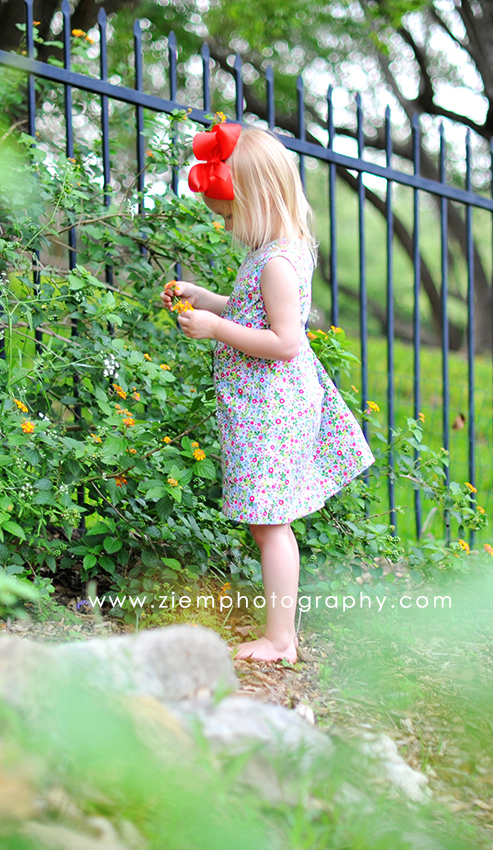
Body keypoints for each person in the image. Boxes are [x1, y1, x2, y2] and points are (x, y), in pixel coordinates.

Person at [160, 124, 374, 663]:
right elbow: (253, 310)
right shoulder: (276, 253)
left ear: (256, 201)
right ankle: (280, 633)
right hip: (263, 406)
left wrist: (214, 329)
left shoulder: (278, 262)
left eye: (229, 215)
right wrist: (208, 300)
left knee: (271, 525)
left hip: (272, 407)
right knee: (266, 522)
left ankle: (281, 639)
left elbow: (284, 342)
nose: (226, 225)